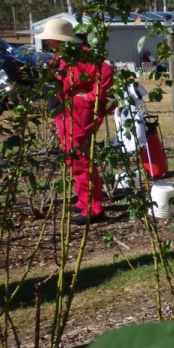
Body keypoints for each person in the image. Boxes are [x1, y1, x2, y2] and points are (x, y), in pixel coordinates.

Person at [39, 18, 115, 226]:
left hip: (78, 114)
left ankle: (93, 208)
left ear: (59, 38)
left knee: (80, 158)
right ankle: (84, 201)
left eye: (49, 38)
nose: (47, 42)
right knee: (73, 158)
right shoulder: (63, 55)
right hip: (66, 113)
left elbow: (106, 72)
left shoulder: (80, 55)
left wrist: (91, 97)